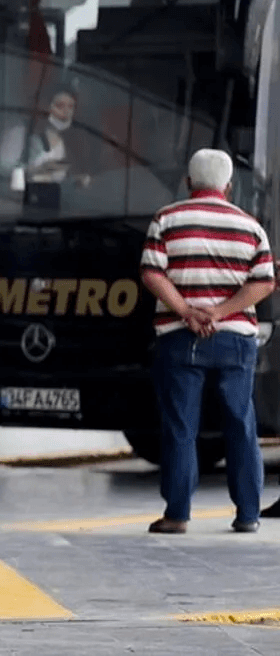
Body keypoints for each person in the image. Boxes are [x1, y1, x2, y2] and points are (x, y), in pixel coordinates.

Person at [140, 149, 275, 534]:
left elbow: (152, 273)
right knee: (240, 423)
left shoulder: (166, 219)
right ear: (228, 186)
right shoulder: (250, 226)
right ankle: (248, 514)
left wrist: (187, 310)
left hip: (179, 338)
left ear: (188, 182)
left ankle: (177, 515)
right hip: (235, 341)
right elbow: (264, 281)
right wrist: (221, 312)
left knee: (181, 427)